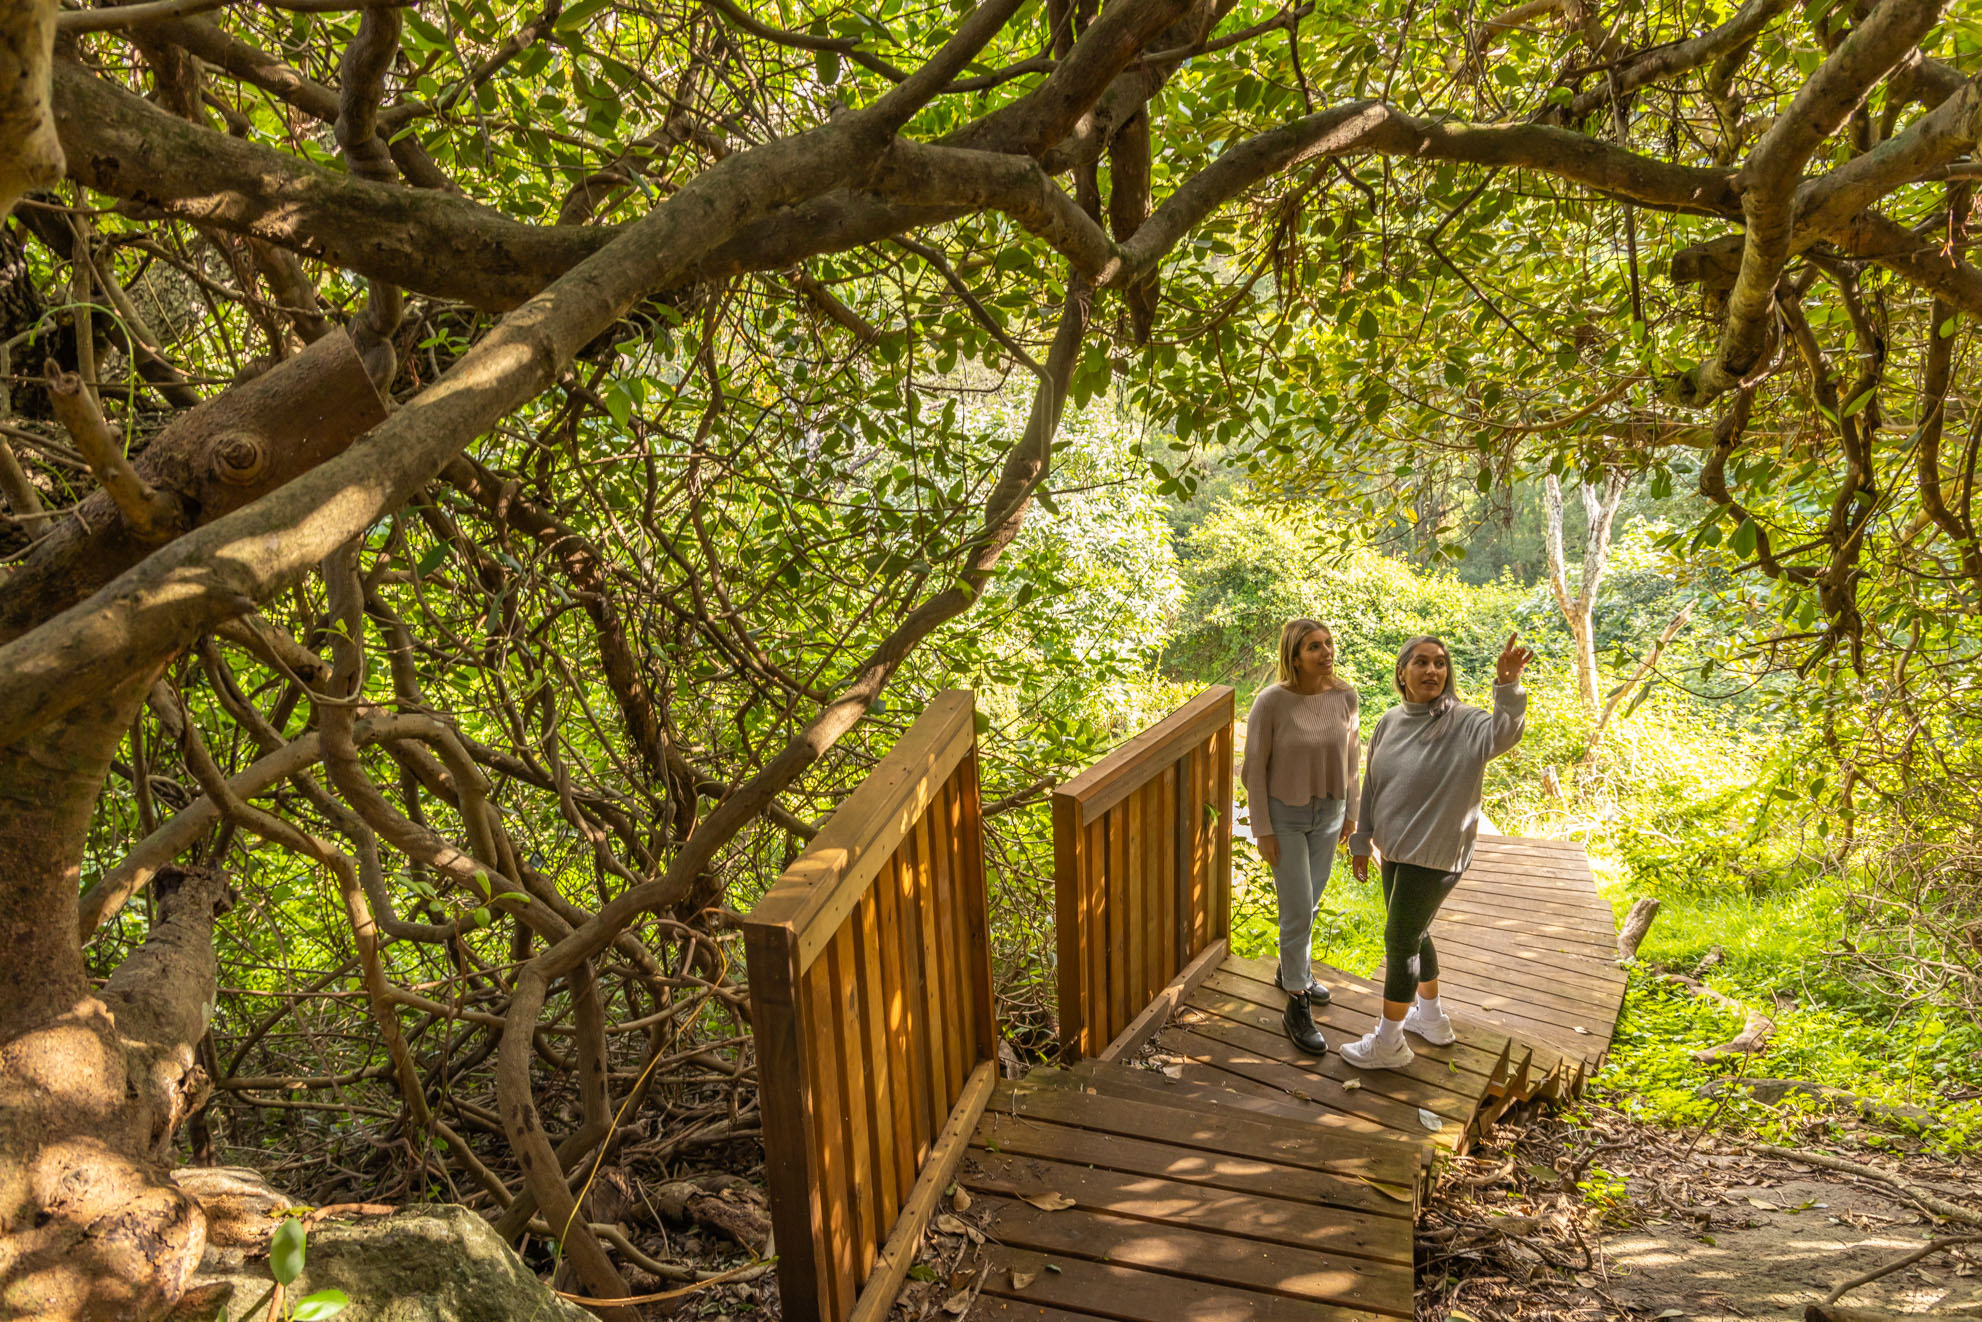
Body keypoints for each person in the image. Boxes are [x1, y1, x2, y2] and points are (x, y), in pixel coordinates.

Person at [1340, 631, 1534, 1070]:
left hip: (1435, 854)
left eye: (1440, 663)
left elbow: (1504, 734)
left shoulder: (1464, 722)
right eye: (1422, 662)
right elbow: (1372, 784)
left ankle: (1389, 1043)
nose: (1432, 670)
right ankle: (1430, 1018)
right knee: (1415, 931)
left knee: (1401, 940)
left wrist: (1508, 686)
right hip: (1395, 850)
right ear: (1401, 672)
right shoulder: (1390, 721)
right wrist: (1361, 840)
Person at [1241, 618, 1360, 1056]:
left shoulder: (1345, 696)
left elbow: (1352, 759)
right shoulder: (1271, 702)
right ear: (1294, 657)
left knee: (1309, 902)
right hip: (1284, 817)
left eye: (1328, 643)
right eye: (1314, 647)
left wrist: (1352, 813)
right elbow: (1254, 770)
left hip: (1329, 813)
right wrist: (1262, 828)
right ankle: (1296, 1002)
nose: (1326, 652)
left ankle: (1292, 971)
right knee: (1295, 909)